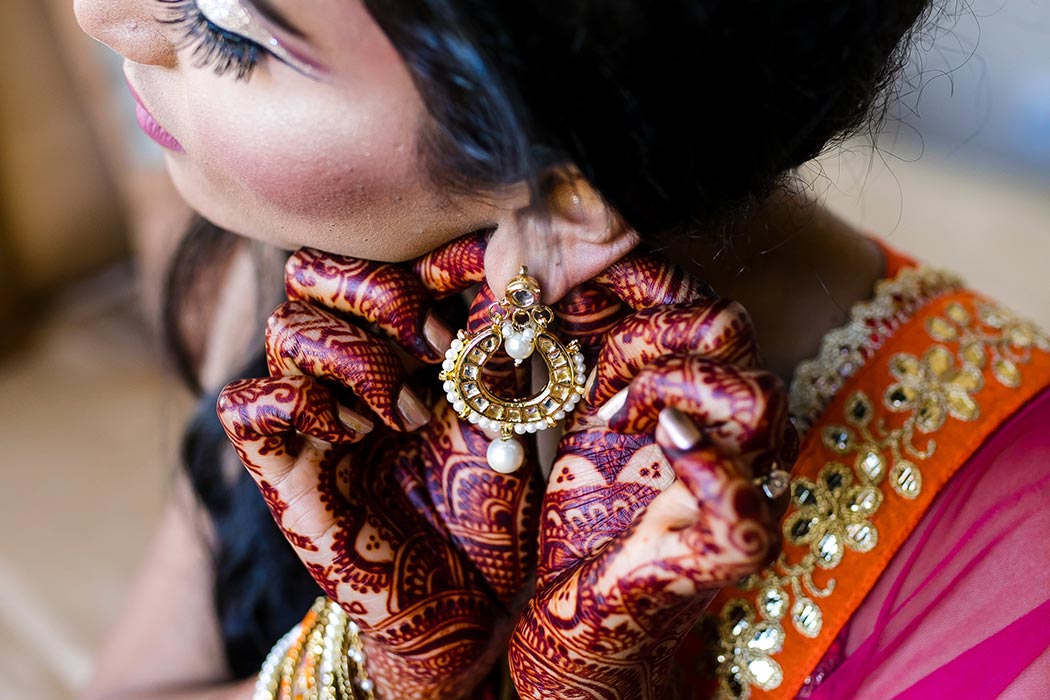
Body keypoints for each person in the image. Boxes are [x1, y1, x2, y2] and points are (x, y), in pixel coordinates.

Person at [73, 1, 1050, 699]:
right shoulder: (330, 302)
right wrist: (370, 674)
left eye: (226, 25)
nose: (99, 15)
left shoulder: (1017, 589)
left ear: (570, 198)